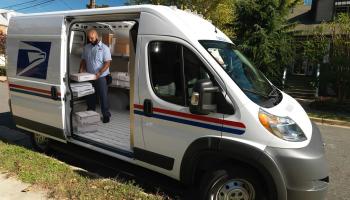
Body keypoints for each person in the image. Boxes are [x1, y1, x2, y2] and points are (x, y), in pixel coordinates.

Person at [79, 29, 112, 123]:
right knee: (90, 95)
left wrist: (100, 72)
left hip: (101, 76)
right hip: (89, 76)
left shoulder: (104, 48)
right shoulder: (86, 47)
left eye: (92, 38)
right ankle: (90, 113)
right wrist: (81, 70)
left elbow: (107, 63)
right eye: (89, 38)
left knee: (103, 96)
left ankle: (106, 115)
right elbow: (84, 60)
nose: (90, 39)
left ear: (96, 36)